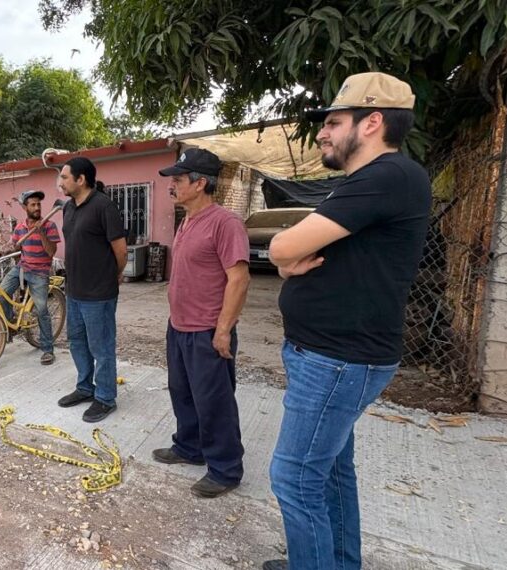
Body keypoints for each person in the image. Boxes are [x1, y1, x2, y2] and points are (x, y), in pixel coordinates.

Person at [262, 72, 430, 570]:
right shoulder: (375, 182)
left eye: (334, 123)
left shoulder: (385, 177)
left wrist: (282, 255)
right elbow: (301, 246)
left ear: (372, 122)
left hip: (337, 361)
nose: (322, 133)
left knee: (292, 478)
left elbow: (284, 245)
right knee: (332, 472)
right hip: (333, 357)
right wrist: (287, 256)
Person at [152, 148, 250, 499]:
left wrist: (224, 329)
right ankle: (189, 447)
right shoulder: (188, 221)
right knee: (183, 392)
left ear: (200, 183)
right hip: (179, 327)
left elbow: (238, 279)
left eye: (178, 180)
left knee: (214, 401)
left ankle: (225, 469)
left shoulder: (226, 223)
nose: (172, 187)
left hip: (208, 330)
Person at [55, 157, 127, 423]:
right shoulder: (68, 208)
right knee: (77, 343)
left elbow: (120, 251)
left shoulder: (103, 206)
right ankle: (86, 388)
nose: (60, 182)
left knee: (102, 348)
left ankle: (106, 398)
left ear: (80, 179)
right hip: (74, 290)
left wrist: (114, 275)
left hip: (99, 294)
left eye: (64, 177)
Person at [0, 190, 62, 365]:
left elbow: (51, 252)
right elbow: (16, 248)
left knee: (41, 310)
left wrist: (41, 232)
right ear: (25, 207)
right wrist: (5, 251)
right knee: (0, 293)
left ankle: (48, 349)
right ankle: (11, 323)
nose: (37, 207)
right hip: (22, 267)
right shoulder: (20, 228)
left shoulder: (49, 226)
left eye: (38, 204)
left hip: (40, 271)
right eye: (33, 204)